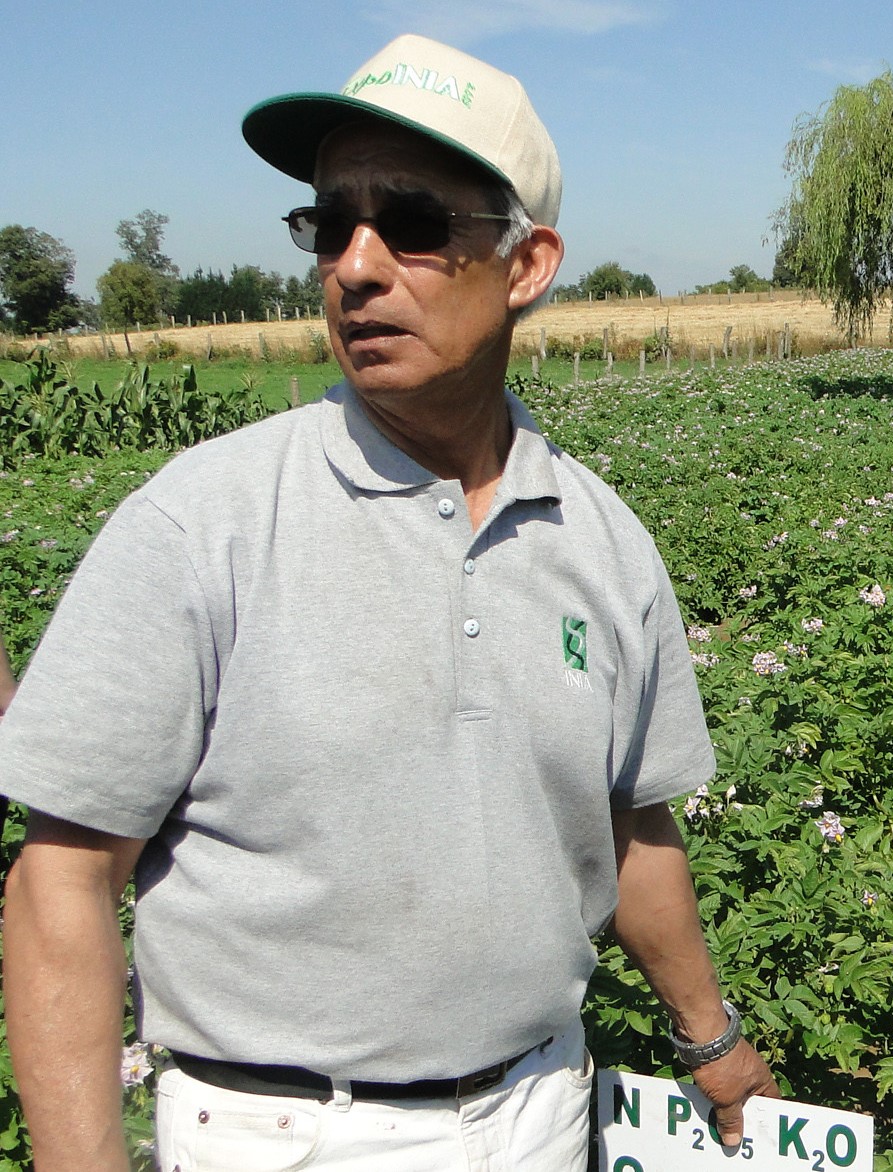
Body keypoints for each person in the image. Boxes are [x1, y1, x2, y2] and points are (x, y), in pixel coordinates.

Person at [0, 34, 775, 1171]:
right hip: (280, 1131)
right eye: (330, 223)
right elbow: (60, 877)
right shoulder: (201, 523)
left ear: (526, 263)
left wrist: (711, 1036)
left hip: (540, 1111)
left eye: (411, 222)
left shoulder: (602, 540)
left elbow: (635, 827)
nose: (355, 266)